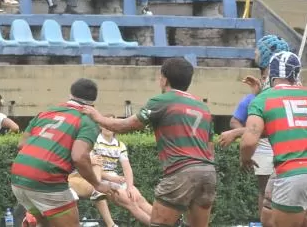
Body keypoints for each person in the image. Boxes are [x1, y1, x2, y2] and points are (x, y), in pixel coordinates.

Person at [83, 57, 216, 227]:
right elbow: (210, 148)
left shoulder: (162, 101)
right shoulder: (203, 107)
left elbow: (125, 126)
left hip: (181, 172)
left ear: (164, 78)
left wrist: (98, 117)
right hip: (208, 173)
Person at [11, 78, 121, 227]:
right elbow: (79, 157)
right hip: (46, 181)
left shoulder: (46, 112)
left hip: (18, 178)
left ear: (70, 94)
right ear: (93, 102)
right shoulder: (86, 121)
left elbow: (21, 145)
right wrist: (97, 184)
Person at [218, 34, 290, 227]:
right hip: (286, 152)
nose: (255, 53)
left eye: (258, 50)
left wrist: (235, 134)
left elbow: (268, 124)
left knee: (269, 195)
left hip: (279, 151)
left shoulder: (273, 87)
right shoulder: (272, 86)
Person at [241, 51, 307, 227]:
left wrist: (245, 159)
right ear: (297, 74)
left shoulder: (263, 99)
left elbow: (249, 141)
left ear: (271, 74)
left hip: (291, 173)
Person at [89, 123, 153, 227]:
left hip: (114, 178)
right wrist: (112, 178)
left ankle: (167, 222)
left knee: (139, 198)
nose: (108, 127)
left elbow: (127, 168)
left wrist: (130, 187)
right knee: (131, 203)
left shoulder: (120, 145)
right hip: (100, 179)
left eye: (111, 124)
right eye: (105, 124)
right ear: (101, 127)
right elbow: (90, 169)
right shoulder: (94, 142)